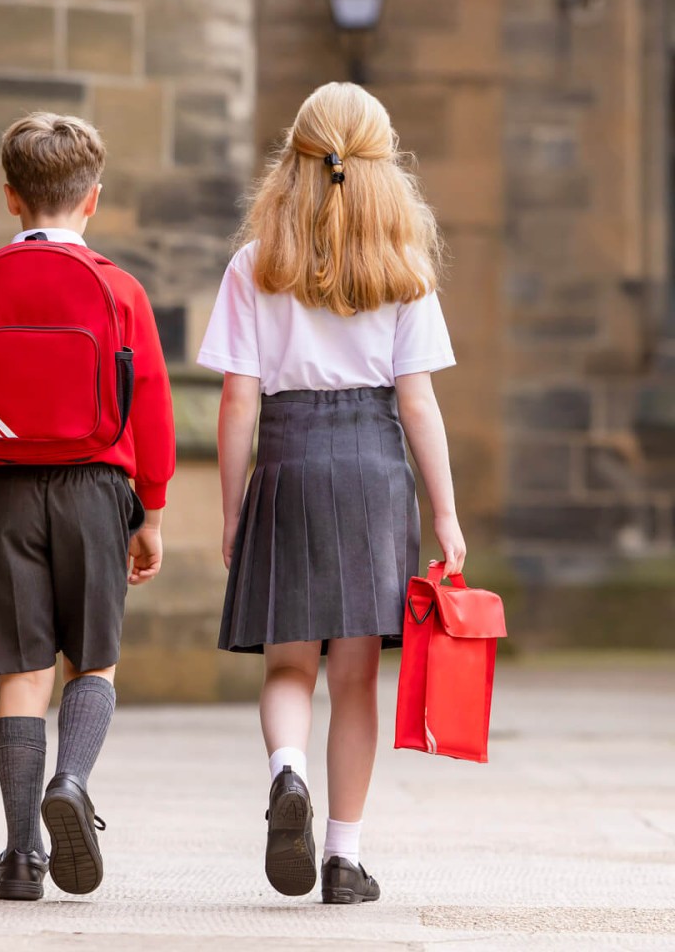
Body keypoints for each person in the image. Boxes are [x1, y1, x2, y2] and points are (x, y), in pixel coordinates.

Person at [197, 82, 466, 905]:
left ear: (296, 157)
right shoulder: (404, 266)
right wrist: (448, 516)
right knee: (354, 679)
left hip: (285, 459)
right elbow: (417, 401)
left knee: (288, 662)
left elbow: (238, 399)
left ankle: (288, 775)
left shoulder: (255, 262)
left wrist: (233, 507)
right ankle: (344, 861)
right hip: (373, 469)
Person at [0, 112, 176, 901]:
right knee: (91, 663)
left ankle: (20, 855)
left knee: (22, 673)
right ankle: (70, 779)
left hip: (3, 495)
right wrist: (153, 511)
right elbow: (156, 409)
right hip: (98, 490)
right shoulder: (119, 287)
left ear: (10, 197)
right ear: (92, 199)